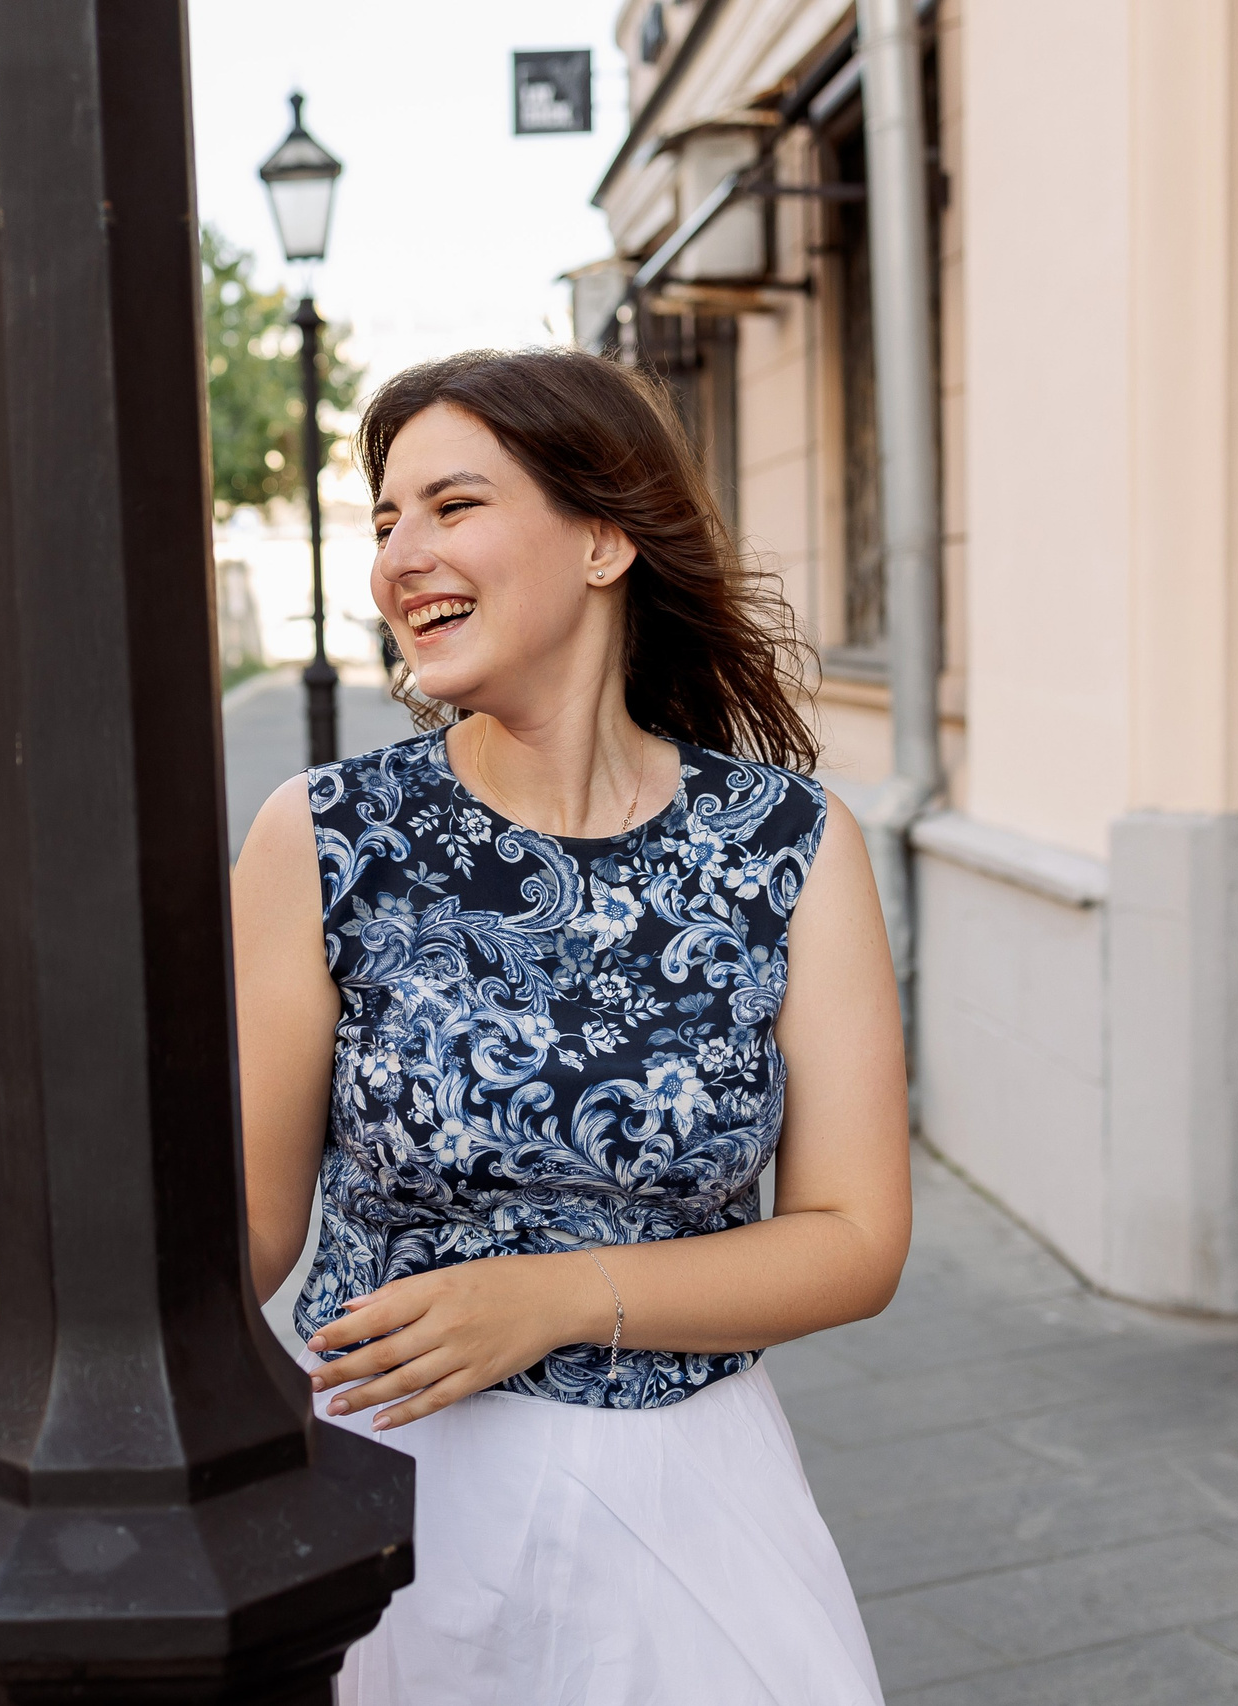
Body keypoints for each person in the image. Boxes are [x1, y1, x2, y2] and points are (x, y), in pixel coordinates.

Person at [231, 349, 909, 1704]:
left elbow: (854, 1238)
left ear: (603, 537)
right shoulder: (324, 835)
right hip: (402, 1509)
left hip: (695, 1509)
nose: (399, 555)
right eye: (384, 518)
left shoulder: (790, 844)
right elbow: (247, 1229)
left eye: (452, 504)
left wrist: (552, 1298)